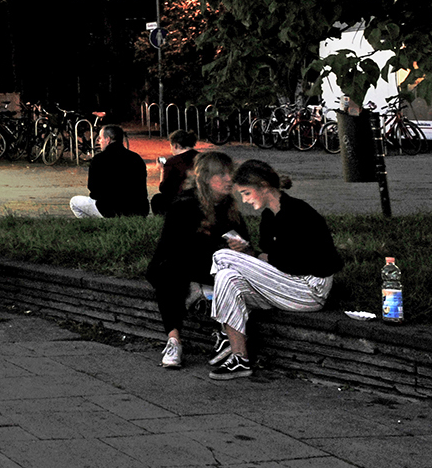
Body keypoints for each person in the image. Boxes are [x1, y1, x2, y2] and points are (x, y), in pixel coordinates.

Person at [207, 159, 343, 381]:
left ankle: (224, 333)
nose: (245, 200)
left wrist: (257, 257)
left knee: (221, 256)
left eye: (247, 193)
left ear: (263, 186)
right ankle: (240, 359)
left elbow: (299, 262)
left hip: (309, 289)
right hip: (285, 286)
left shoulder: (299, 212)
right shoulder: (269, 217)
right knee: (226, 276)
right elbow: (271, 259)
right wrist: (249, 253)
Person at [145, 152, 248, 369]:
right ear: (206, 179)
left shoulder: (229, 207)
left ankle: (201, 294)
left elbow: (245, 243)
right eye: (222, 174)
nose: (230, 179)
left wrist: (241, 246)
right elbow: (175, 250)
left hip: (211, 269)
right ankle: (174, 339)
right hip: (180, 265)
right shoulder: (185, 204)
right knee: (169, 273)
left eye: (231, 174)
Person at [70, 125, 149, 218]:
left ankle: (98, 225)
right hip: (138, 209)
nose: (99, 142)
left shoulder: (98, 159)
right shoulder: (136, 158)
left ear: (108, 139)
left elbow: (93, 189)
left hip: (109, 209)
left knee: (74, 202)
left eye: (100, 138)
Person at [150, 130, 199, 215]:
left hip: (181, 202)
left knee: (157, 199)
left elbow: (164, 189)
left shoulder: (172, 162)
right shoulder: (202, 158)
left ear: (176, 145)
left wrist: (162, 170)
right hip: (201, 199)